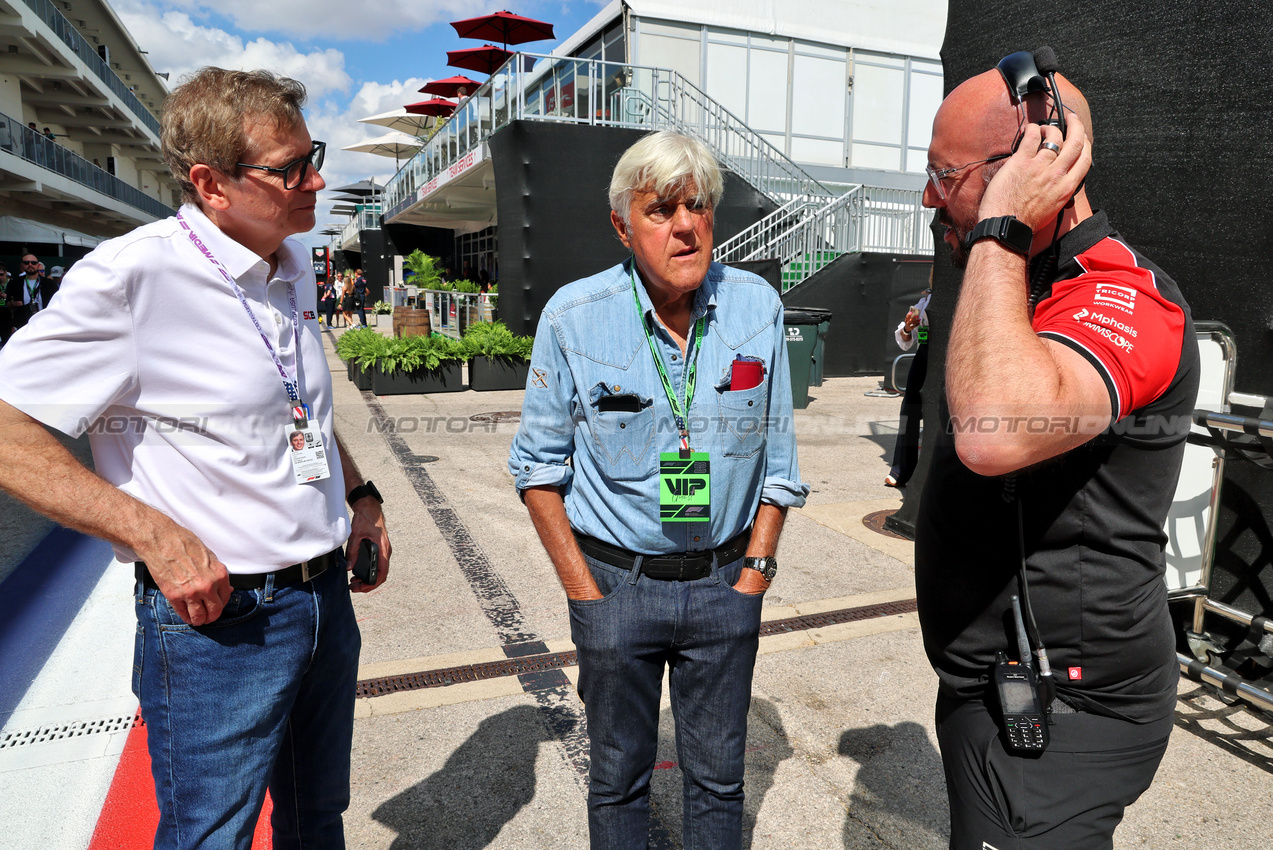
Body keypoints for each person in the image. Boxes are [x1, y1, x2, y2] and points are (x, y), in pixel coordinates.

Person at [0, 67, 392, 848]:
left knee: (319, 818)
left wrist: (361, 495)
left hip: (323, 601)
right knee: (210, 836)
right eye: (288, 169)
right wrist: (152, 534)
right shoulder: (131, 277)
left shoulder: (289, 262)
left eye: (312, 156)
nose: (315, 179)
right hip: (219, 625)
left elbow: (297, 405)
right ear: (211, 184)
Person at [914, 55, 1199, 849]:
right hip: (995, 689)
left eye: (944, 175)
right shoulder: (1016, 286)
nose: (928, 197)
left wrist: (1000, 221)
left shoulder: (1125, 295)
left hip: (1064, 713)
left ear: (1041, 158)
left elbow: (996, 430)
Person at [509, 130, 808, 849]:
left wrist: (755, 575)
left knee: (718, 779)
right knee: (616, 783)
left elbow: (779, 457)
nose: (683, 225)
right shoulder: (574, 316)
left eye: (696, 206)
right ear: (621, 225)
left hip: (723, 585)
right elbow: (537, 468)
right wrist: (587, 596)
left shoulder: (754, 307)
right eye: (660, 209)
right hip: (617, 586)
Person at [885, 285, 932, 487]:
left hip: (952, 357)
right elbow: (905, 340)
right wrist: (907, 328)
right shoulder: (924, 301)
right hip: (924, 356)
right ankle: (901, 470)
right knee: (909, 410)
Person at [7, 253, 54, 328]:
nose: (30, 265)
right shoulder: (14, 283)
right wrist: (13, 303)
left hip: (45, 323)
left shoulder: (50, 284)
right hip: (23, 324)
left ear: (38, 265)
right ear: (22, 265)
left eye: (33, 263)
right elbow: (8, 304)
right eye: (26, 262)